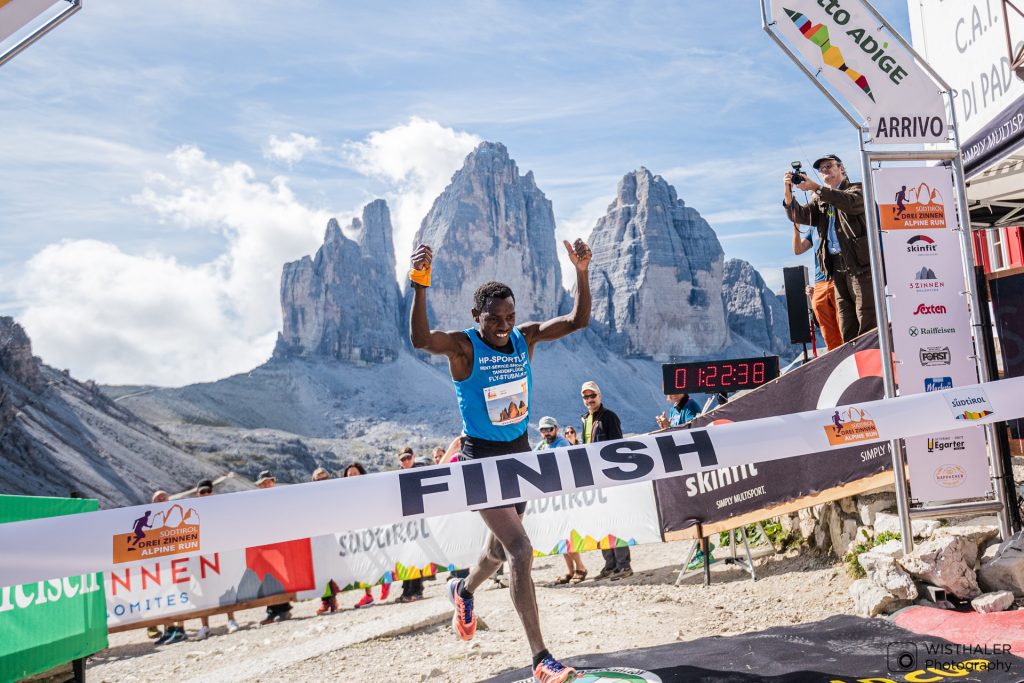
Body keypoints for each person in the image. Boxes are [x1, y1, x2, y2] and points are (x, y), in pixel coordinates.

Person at [409, 236, 592, 683]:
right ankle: (541, 659)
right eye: (494, 319)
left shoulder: (524, 337)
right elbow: (420, 339)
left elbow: (578, 320)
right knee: (520, 549)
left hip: (518, 454)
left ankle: (463, 589)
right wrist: (419, 283)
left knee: (496, 550)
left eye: (509, 317)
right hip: (480, 461)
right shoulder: (464, 347)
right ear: (477, 316)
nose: (504, 326)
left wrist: (582, 272)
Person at [784, 154, 876, 343]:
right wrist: (788, 193)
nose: (824, 170)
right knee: (846, 320)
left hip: (860, 265)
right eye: (821, 168)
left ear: (841, 168)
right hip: (836, 268)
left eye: (829, 165)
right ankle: (853, 359)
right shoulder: (821, 200)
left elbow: (849, 203)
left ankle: (874, 358)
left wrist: (816, 188)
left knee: (866, 315)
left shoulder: (858, 189)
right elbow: (801, 216)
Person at [580, 381, 631, 581]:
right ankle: (610, 564)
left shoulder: (609, 417)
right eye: (586, 397)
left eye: (592, 396)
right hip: (594, 479)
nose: (589, 400)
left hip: (611, 477)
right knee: (601, 521)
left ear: (599, 396)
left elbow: (618, 447)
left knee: (615, 520)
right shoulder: (585, 419)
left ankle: (624, 565)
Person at [534, 417, 587, 586]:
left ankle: (580, 568)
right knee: (560, 534)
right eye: (543, 430)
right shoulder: (541, 445)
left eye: (549, 429)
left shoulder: (562, 444)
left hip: (564, 495)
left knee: (567, 533)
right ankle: (570, 570)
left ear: (556, 429)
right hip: (551, 495)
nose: (546, 433)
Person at [193, 479, 240, 638]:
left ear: (212, 492)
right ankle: (205, 626)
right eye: (202, 492)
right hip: (201, 556)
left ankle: (231, 620)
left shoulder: (220, 509)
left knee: (225, 587)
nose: (206, 494)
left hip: (219, 554)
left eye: (208, 491)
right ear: (197, 493)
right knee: (203, 591)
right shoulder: (192, 511)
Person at [342, 462, 392, 609]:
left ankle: (386, 579)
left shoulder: (369, 488)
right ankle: (368, 595)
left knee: (379, 555)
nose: (352, 476)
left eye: (355, 473)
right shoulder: (342, 493)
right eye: (349, 475)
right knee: (363, 562)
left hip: (372, 529)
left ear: (361, 474)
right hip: (355, 532)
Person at [792, 219, 843, 352]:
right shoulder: (813, 227)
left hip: (837, 279)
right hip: (820, 283)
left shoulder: (836, 218)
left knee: (844, 328)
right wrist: (796, 226)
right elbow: (798, 249)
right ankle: (836, 359)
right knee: (829, 336)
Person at [254, 471, 293, 625]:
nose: (266, 485)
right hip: (264, 545)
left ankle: (284, 609)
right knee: (267, 577)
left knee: (280, 575)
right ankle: (272, 611)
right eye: (263, 483)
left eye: (268, 482)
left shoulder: (281, 498)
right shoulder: (256, 503)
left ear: (273, 482)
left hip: (280, 544)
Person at [150, 489, 187, 645]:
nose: (161, 501)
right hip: (160, 565)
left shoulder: (177, 516)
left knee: (180, 594)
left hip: (177, 563)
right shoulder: (151, 519)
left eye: (163, 498)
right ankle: (169, 629)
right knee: (163, 596)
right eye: (158, 499)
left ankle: (180, 629)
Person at [393, 448, 426, 603]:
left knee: (417, 554)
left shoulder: (421, 471)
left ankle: (417, 590)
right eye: (403, 459)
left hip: (420, 520)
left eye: (408, 458)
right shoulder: (395, 476)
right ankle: (406, 590)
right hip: (404, 521)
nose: (406, 461)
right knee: (406, 556)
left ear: (414, 457)